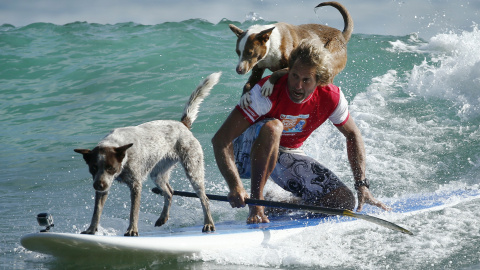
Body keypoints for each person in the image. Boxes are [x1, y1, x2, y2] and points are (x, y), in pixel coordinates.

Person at [212, 39, 390, 224]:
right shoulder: (266, 93)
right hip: (246, 155)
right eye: (294, 76)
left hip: (285, 154)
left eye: (306, 80)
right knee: (274, 127)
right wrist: (235, 185)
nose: (297, 86)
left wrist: (362, 185)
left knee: (342, 202)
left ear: (319, 80)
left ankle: (277, 205)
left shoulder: (331, 97)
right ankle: (257, 204)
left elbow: (353, 135)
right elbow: (220, 140)